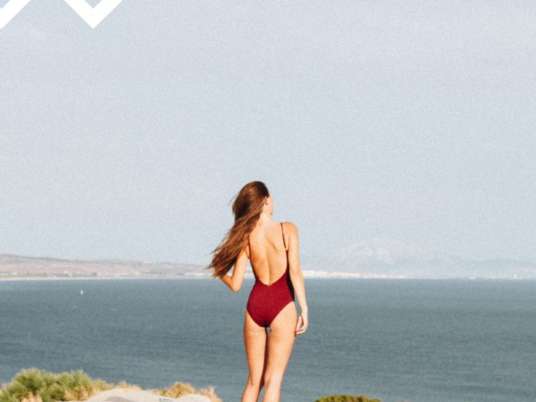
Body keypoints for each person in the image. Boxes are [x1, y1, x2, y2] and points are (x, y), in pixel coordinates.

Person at [208, 180, 309, 402]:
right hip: (282, 304)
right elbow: (295, 272)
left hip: (255, 306)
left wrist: (219, 272)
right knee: (273, 380)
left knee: (254, 382)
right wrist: (304, 309)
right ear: (265, 201)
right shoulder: (288, 229)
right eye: (271, 198)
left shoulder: (245, 237)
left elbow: (235, 285)